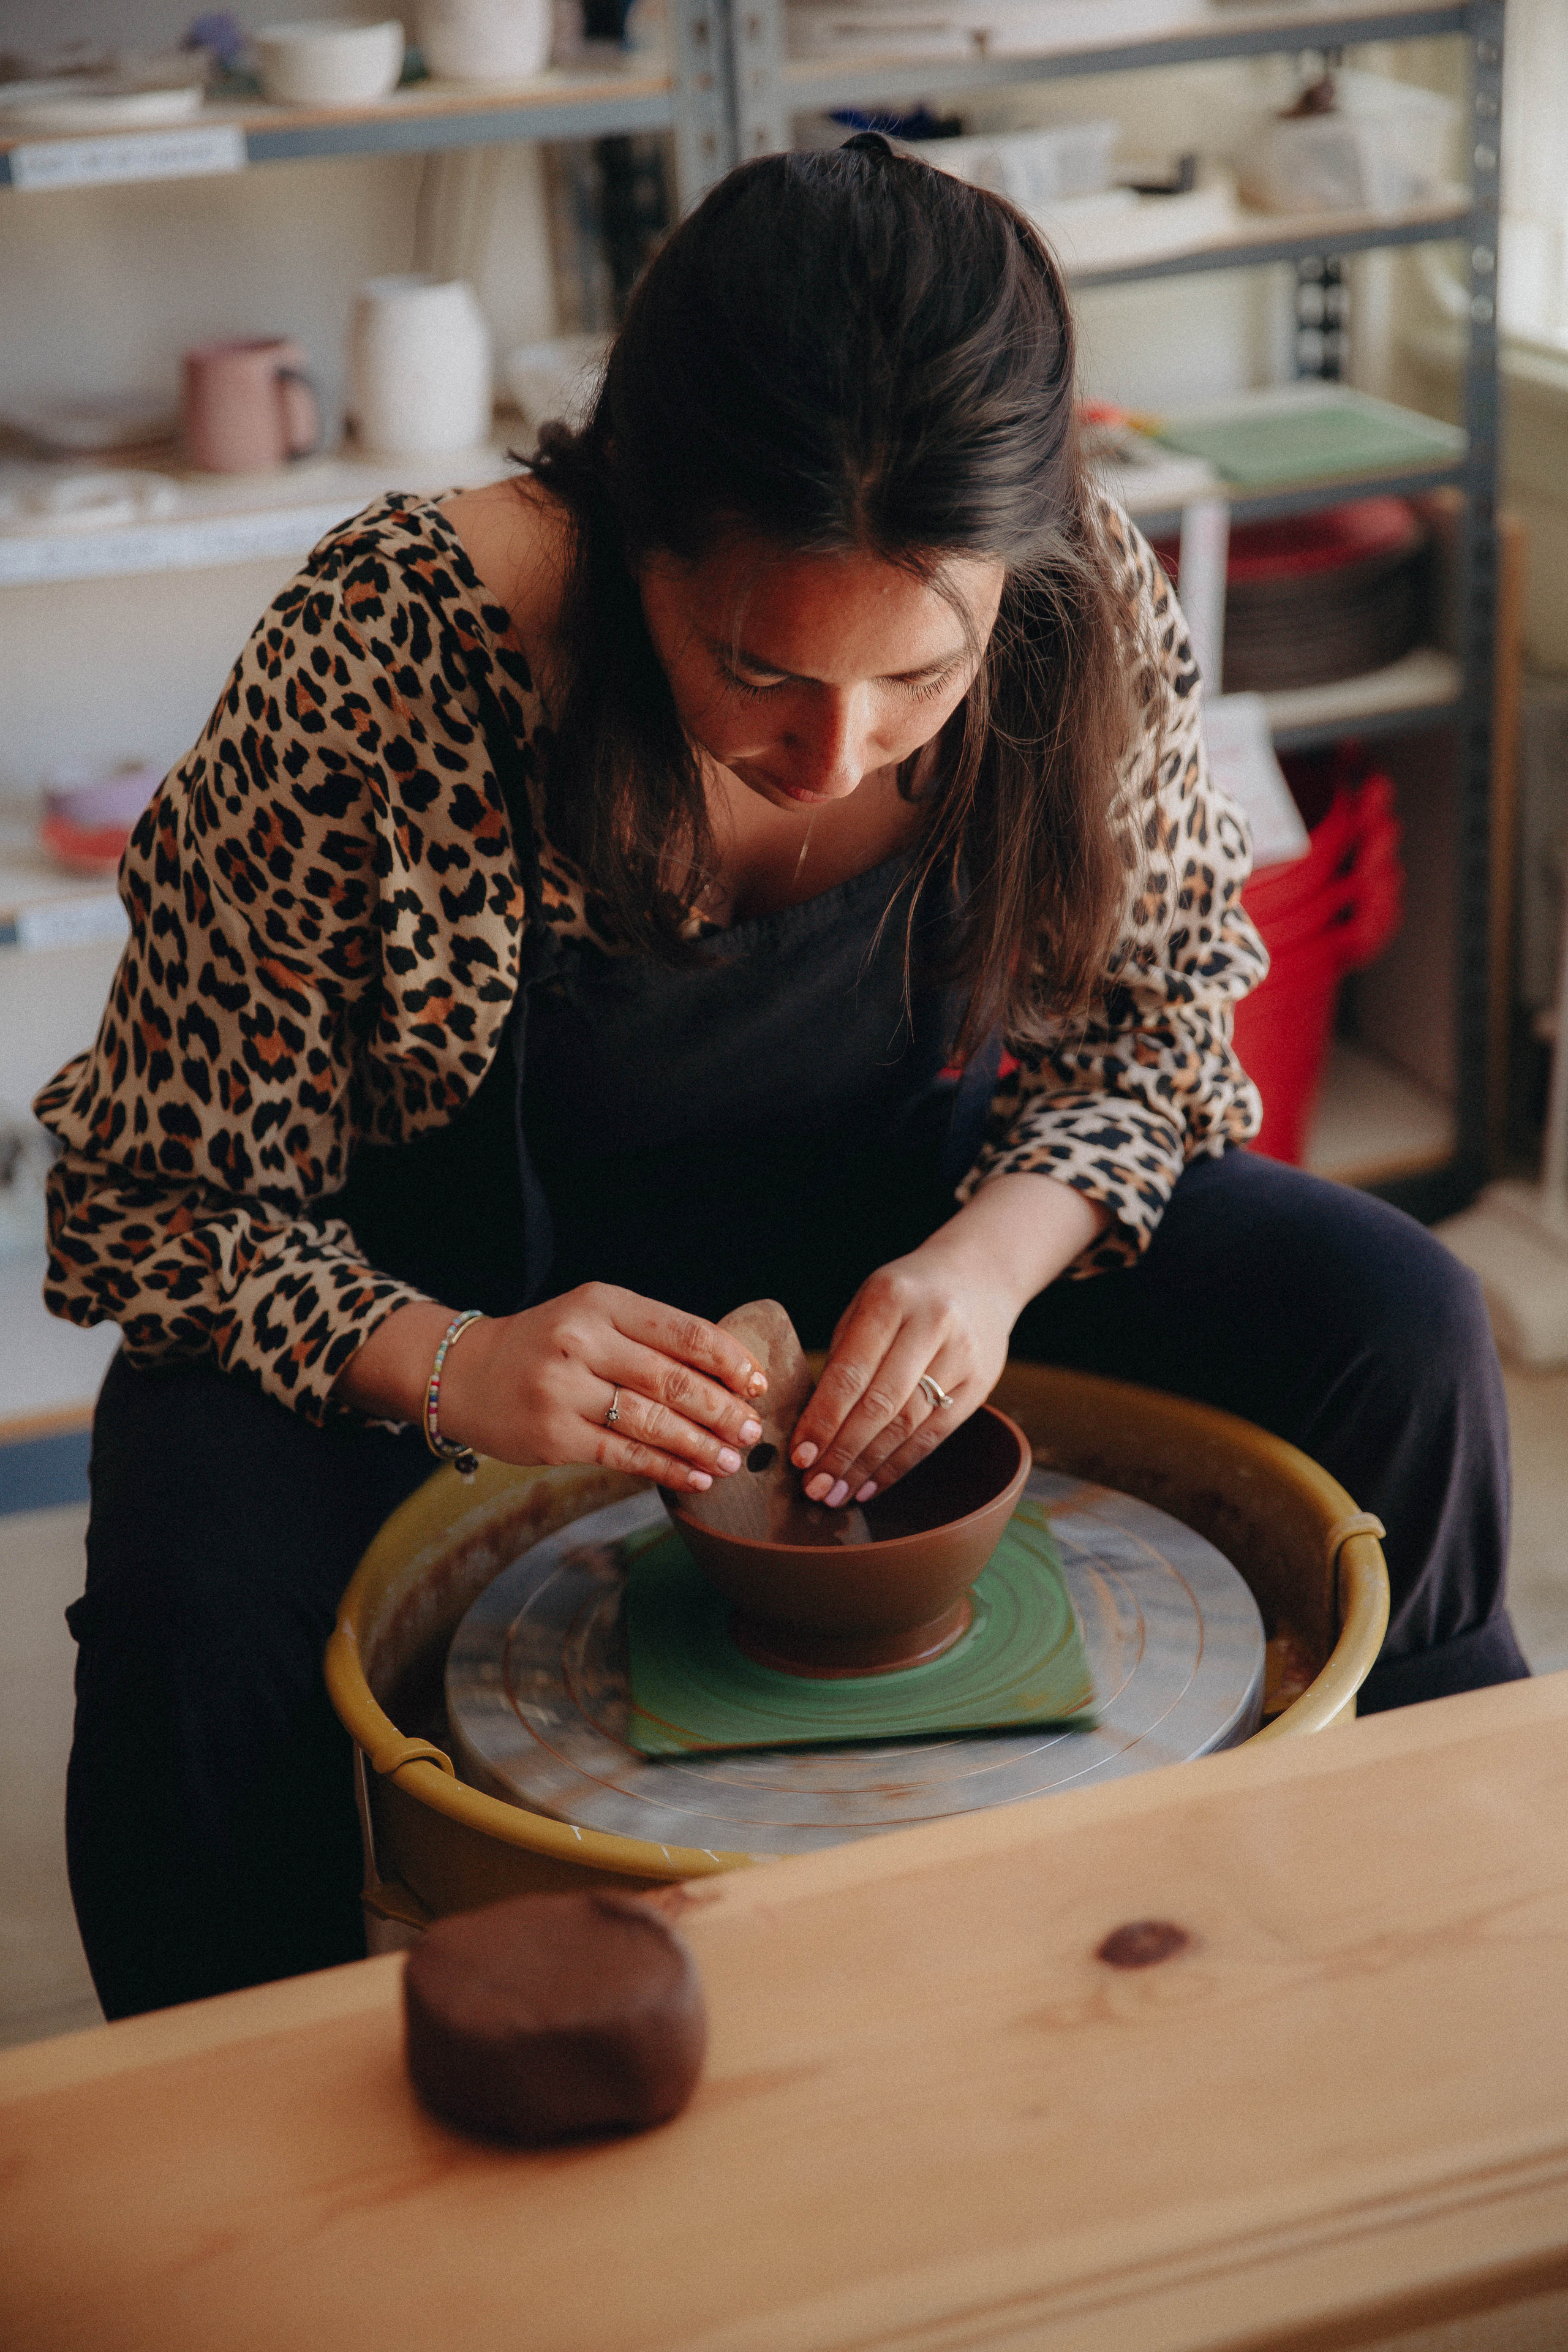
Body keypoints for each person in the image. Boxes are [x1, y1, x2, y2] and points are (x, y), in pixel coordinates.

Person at [37, 137, 1526, 2021]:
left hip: (908, 1235)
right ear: (627, 531)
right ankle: (230, 2141)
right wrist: (455, 1362)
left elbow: (1162, 1020)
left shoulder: (1070, 594)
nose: (837, 753)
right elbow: (146, 1204)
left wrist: (990, 1260)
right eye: (756, 671)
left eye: (921, 681)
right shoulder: (396, 653)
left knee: (1395, 1318)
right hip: (465, 1308)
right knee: (191, 1579)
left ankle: (1455, 1902)